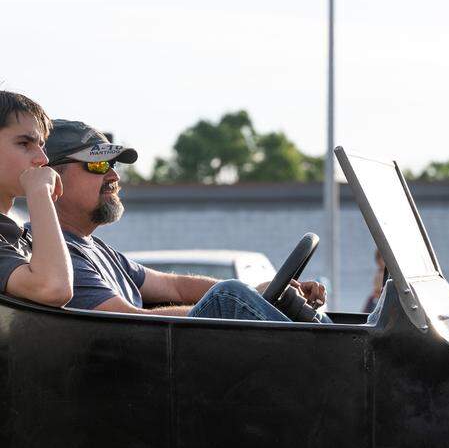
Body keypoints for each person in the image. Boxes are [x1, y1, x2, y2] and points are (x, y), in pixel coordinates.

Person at [43, 119, 326, 321]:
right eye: (98, 164)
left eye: (113, 165)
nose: (114, 176)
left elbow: (175, 286)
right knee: (228, 296)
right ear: (52, 178)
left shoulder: (97, 249)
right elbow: (126, 321)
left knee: (243, 296)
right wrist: (229, 304)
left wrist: (260, 291)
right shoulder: (54, 256)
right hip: (132, 383)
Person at [0, 92, 73, 306]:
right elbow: (53, 288)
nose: (43, 159)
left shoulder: (14, 232)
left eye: (41, 145)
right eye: (24, 143)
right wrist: (39, 192)